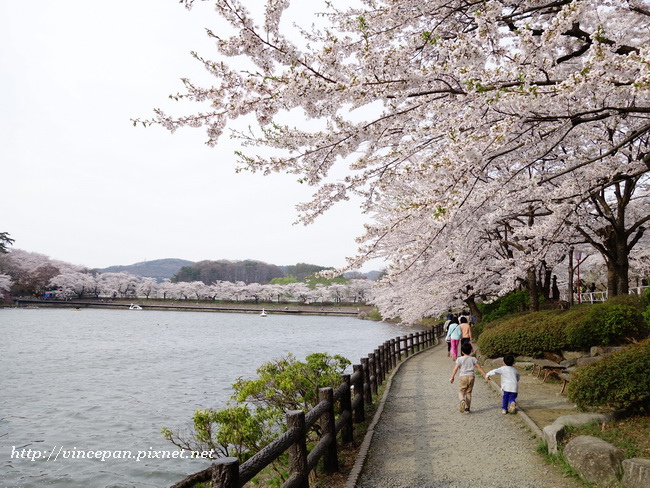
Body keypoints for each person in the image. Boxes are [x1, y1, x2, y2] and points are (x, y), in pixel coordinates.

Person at [449, 342, 489, 413]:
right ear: (470, 351)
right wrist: (485, 375)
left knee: (461, 391)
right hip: (471, 377)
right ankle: (467, 409)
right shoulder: (473, 359)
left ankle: (462, 401)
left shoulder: (460, 359)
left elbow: (455, 369)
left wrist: (452, 377)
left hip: (463, 377)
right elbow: (479, 367)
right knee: (468, 393)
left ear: (462, 351)